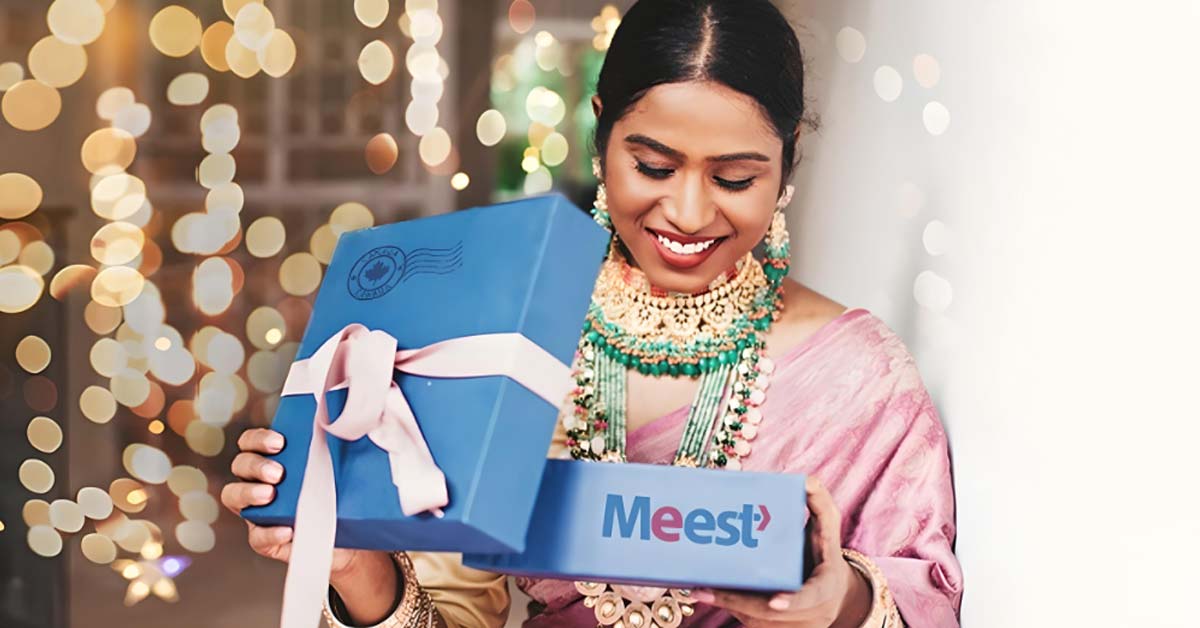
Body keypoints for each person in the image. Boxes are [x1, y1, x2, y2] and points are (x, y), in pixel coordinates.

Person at [221, 0, 964, 626]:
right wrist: (355, 565)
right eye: (654, 166)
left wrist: (837, 601)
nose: (689, 211)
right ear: (601, 130)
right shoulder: (500, 344)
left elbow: (926, 595)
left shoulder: (858, 376)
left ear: (789, 156)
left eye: (735, 177)